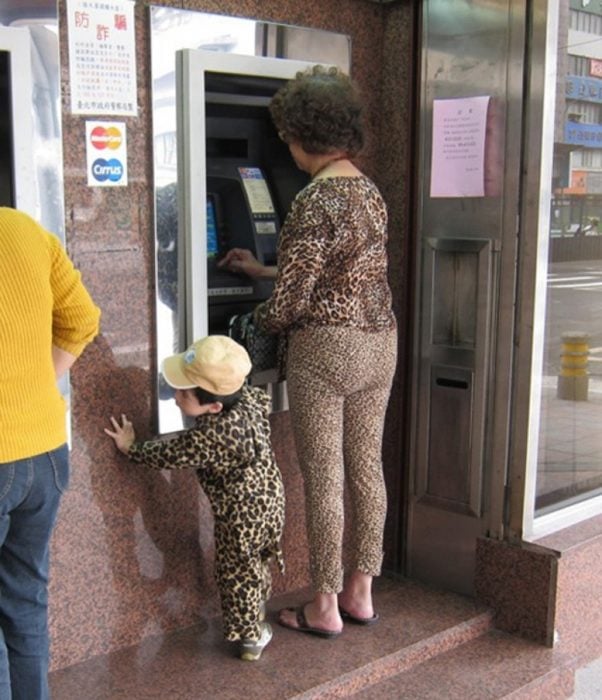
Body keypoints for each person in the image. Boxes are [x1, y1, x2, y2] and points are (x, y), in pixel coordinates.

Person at [219, 65, 398, 638]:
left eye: (288, 137)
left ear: (302, 134)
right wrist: (261, 267)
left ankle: (322, 606)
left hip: (326, 350)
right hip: (379, 343)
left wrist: (248, 324)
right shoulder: (368, 193)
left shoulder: (314, 200)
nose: (287, 150)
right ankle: (360, 593)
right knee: (366, 469)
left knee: (324, 477)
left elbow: (292, 301)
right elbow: (336, 272)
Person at [104, 335, 285, 661]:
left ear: (214, 406)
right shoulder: (246, 398)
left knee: (237, 572)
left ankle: (251, 638)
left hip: (243, 517)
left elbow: (169, 453)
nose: (175, 397)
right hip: (270, 497)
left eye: (184, 393)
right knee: (255, 564)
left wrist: (131, 446)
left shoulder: (216, 435)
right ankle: (255, 614)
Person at [0, 207, 101, 699]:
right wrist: (37, 381)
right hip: (42, 451)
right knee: (24, 597)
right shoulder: (23, 230)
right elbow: (83, 320)